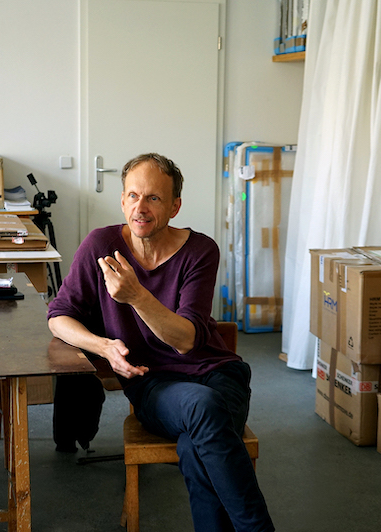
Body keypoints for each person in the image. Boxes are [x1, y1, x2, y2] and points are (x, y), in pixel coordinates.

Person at [47, 153, 275, 532]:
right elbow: (59, 316)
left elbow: (185, 341)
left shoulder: (201, 250)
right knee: (202, 409)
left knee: (193, 447)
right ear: (122, 201)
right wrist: (103, 347)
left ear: (174, 206)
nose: (141, 207)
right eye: (133, 195)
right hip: (154, 385)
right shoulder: (100, 245)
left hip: (221, 376)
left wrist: (136, 296)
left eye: (153, 198)